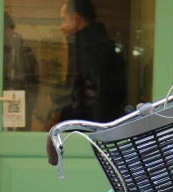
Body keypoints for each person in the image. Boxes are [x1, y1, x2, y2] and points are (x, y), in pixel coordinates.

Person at [43, 0, 126, 129]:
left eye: (64, 20)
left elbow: (81, 89)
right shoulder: (106, 45)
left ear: (76, 19)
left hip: (85, 126)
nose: (62, 27)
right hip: (108, 123)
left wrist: (57, 97)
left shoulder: (84, 46)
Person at [3, 11, 39, 130]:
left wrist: (31, 105)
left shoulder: (25, 51)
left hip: (22, 103)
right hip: (0, 101)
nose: (7, 34)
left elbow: (34, 79)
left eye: (8, 30)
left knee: (20, 132)